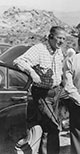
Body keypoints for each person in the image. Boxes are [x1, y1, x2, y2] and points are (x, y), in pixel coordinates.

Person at [14, 26, 66, 154]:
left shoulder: (58, 51)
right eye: (59, 38)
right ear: (51, 37)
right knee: (54, 127)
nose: (62, 41)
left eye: (64, 39)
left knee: (46, 127)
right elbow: (19, 61)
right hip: (42, 94)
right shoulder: (39, 49)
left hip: (56, 93)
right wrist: (32, 73)